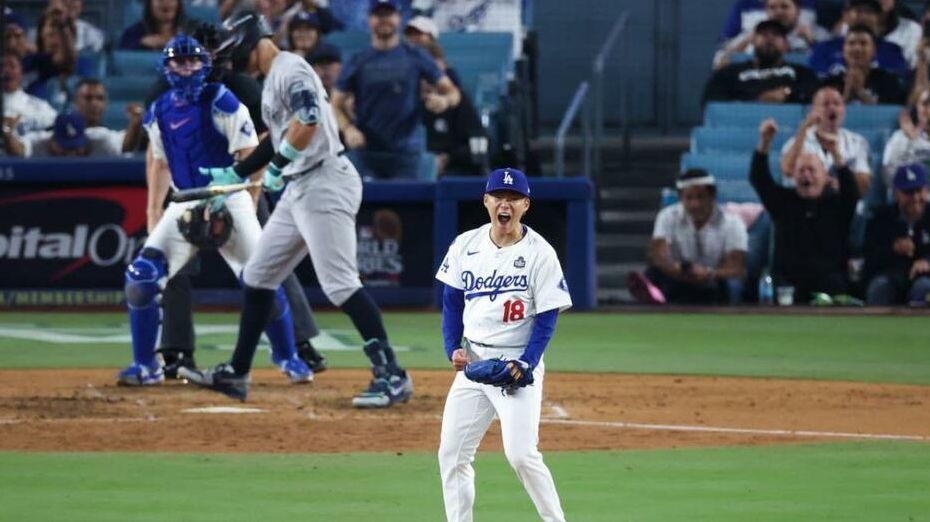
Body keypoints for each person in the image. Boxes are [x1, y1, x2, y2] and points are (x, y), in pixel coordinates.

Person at [182, 12, 412, 407]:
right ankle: (237, 373)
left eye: (231, 52)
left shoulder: (290, 69)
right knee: (257, 276)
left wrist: (277, 165)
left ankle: (391, 374)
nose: (230, 62)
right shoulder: (272, 79)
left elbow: (306, 122)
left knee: (340, 283)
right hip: (301, 186)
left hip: (324, 181)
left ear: (247, 42)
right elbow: (278, 136)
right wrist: (235, 172)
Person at [117, 35, 312, 387]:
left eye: (193, 61)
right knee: (141, 278)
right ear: (167, 66)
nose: (187, 68)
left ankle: (288, 355)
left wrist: (248, 206)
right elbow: (158, 162)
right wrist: (152, 212)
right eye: (179, 61)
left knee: (261, 277)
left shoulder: (221, 100)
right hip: (185, 199)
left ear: (205, 65)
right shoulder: (158, 109)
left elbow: (250, 154)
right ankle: (145, 366)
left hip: (230, 195)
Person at [435, 167, 571, 522]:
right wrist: (453, 348)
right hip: (474, 365)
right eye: (498, 197)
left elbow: (547, 317)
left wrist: (526, 362)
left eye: (513, 199)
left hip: (515, 366)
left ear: (525, 205)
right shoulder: (465, 245)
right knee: (452, 454)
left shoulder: (541, 253)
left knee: (522, 455)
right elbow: (452, 301)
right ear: (486, 201)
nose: (504, 205)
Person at [332, 0, 461, 180]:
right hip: (367, 152)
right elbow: (335, 103)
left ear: (399, 18)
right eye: (378, 15)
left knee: (407, 208)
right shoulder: (358, 60)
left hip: (406, 153)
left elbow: (453, 92)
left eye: (389, 14)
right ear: (370, 19)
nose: (384, 20)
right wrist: (348, 129)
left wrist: (444, 101)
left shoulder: (416, 56)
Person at [754, 118, 860, 303]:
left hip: (829, 280)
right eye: (801, 171)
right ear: (793, 176)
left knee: (837, 285)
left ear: (826, 177)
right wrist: (765, 142)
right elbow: (759, 179)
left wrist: (836, 153)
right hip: (788, 281)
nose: (806, 175)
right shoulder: (783, 202)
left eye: (812, 170)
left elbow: (852, 192)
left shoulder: (837, 205)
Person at [628, 169, 749, 305]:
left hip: (713, 282)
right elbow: (657, 255)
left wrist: (709, 274)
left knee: (731, 284)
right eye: (689, 198)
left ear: (712, 195)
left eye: (700, 197)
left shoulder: (733, 223)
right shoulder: (667, 216)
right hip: (675, 277)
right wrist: (677, 270)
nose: (695, 204)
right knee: (653, 273)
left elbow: (737, 267)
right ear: (680, 197)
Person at [413, 35, 488, 176]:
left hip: (454, 170)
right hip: (410, 169)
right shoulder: (404, 100)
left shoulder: (459, 100)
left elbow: (478, 143)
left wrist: (448, 158)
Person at [780, 86, 872, 196]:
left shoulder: (857, 142)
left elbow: (864, 183)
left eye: (836, 104)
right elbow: (787, 171)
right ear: (813, 110)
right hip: (805, 205)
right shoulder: (796, 142)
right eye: (825, 104)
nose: (831, 108)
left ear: (844, 110)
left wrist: (843, 185)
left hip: (843, 206)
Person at [703, 20, 821, 106]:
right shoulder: (730, 72)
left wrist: (788, 93)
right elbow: (711, 102)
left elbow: (816, 96)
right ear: (753, 41)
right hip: (744, 124)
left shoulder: (802, 73)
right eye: (763, 34)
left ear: (785, 44)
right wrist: (756, 101)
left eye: (776, 34)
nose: (769, 38)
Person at [863, 164, 930, 305]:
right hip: (891, 275)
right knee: (879, 287)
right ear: (896, 193)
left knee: (924, 287)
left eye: (919, 190)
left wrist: (927, 261)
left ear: (927, 190)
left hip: (925, 278)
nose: (915, 197)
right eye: (908, 192)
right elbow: (869, 257)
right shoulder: (881, 218)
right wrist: (893, 249)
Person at [714, 0, 829, 69]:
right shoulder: (751, 36)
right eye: (772, 7)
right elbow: (718, 64)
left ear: (798, 11)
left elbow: (832, 67)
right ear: (766, 11)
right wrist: (745, 43)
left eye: (785, 6)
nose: (778, 12)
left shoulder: (818, 35)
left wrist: (811, 42)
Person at [809, 0, 909, 78]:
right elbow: (816, 82)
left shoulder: (892, 51)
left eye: (869, 12)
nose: (864, 17)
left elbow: (898, 87)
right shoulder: (824, 49)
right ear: (845, 15)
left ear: (879, 18)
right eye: (859, 10)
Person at [820, 25, 906, 104]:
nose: (857, 49)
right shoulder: (829, 83)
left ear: (874, 51)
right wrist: (846, 95)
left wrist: (860, 92)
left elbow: (893, 113)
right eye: (851, 43)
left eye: (863, 43)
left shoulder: (889, 82)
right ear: (843, 50)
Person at [74, 78, 144, 153]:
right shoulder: (62, 135)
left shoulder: (107, 136)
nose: (94, 103)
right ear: (76, 102)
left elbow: (125, 146)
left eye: (100, 98)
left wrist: (135, 123)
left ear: (106, 103)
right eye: (88, 98)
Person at [883, 89, 930, 191]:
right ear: (915, 109)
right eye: (925, 104)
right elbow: (890, 176)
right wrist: (911, 140)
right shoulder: (900, 137)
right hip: (912, 196)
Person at [1, 53, 58, 136]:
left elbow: (57, 125)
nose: (6, 71)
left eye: (12, 66)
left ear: (21, 71)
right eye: (2, 66)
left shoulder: (38, 106)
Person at [119, 0, 185, 50]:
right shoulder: (132, 34)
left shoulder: (192, 31)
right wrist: (142, 43)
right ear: (149, 4)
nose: (166, 2)